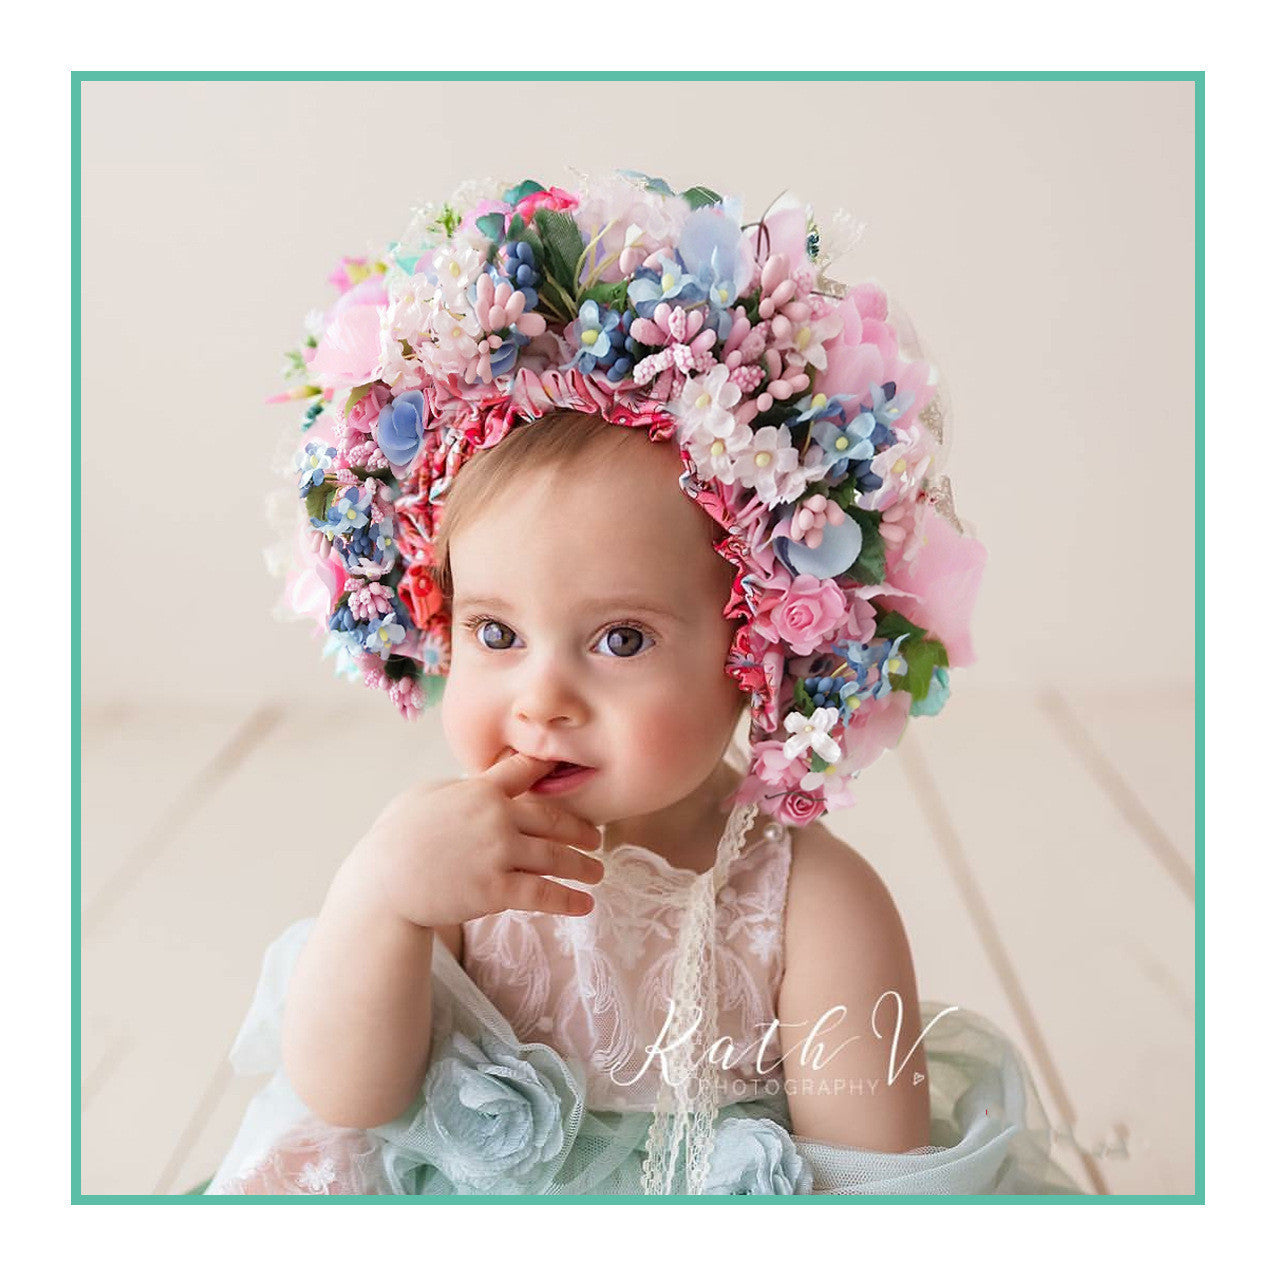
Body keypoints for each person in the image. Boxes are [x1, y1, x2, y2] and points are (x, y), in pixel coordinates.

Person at [206, 171, 1081, 1196]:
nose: (541, 699)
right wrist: (380, 899)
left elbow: (875, 1185)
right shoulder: (443, 863)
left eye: (619, 639)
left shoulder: (813, 906)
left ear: (756, 648)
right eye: (495, 630)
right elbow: (344, 1094)